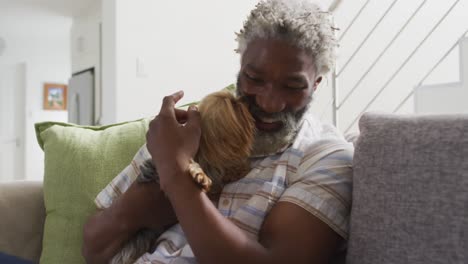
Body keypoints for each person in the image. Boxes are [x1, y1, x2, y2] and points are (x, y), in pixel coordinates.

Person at [82, 0, 353, 263]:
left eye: (292, 86)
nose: (269, 103)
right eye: (255, 79)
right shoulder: (188, 127)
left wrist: (176, 173)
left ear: (316, 84)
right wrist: (138, 205)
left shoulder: (326, 156)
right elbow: (93, 248)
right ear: (240, 67)